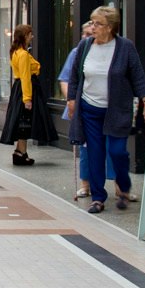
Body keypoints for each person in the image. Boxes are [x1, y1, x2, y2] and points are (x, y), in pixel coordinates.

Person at [64, 5, 145, 215]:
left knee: (117, 151)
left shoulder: (125, 47)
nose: (93, 27)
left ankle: (123, 187)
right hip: (90, 109)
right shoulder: (85, 46)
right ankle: (98, 198)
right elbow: (75, 76)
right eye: (92, 22)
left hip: (117, 109)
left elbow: (138, 75)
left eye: (98, 24)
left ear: (110, 27)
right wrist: (71, 100)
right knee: (95, 154)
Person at [0, 23, 54, 166]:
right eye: (30, 34)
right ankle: (21, 153)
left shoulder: (16, 52)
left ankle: (20, 152)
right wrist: (27, 99)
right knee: (24, 121)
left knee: (22, 120)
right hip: (26, 89)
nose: (32, 36)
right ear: (25, 36)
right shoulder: (23, 54)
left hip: (19, 90)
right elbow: (25, 77)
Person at [58, 19, 98, 201]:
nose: (87, 37)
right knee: (85, 147)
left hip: (103, 105)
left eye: (91, 34)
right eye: (86, 34)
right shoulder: (77, 53)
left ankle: (120, 187)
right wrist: (72, 101)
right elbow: (65, 79)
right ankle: (85, 184)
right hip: (84, 106)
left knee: (112, 147)